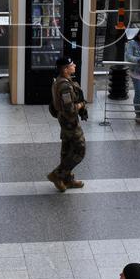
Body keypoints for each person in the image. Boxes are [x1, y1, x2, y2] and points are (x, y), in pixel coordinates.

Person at [47, 56, 87, 192]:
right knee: (79, 150)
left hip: (65, 121)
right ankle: (57, 175)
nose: (74, 65)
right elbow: (69, 109)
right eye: (71, 64)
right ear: (65, 69)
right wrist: (81, 105)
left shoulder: (62, 81)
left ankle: (67, 179)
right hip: (70, 122)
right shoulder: (64, 86)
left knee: (67, 149)